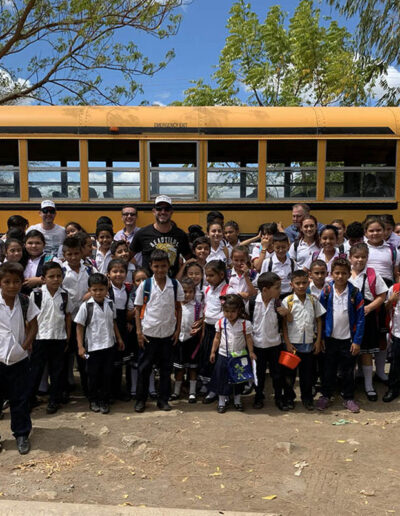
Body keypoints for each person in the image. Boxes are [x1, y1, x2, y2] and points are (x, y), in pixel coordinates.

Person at [134, 249, 184, 412]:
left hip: (168, 334)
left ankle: (163, 400)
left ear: (168, 266)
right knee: (144, 368)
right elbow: (138, 309)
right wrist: (139, 332)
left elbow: (179, 308)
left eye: (163, 266)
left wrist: (177, 330)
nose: (160, 270)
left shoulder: (175, 285)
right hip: (149, 334)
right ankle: (141, 400)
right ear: (151, 266)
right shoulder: (145, 285)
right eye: (156, 266)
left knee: (166, 369)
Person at [0, 262, 39, 455]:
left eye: (16, 281)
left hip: (19, 359)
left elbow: (33, 326)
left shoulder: (25, 301)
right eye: (7, 281)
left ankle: (22, 434)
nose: (12, 286)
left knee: (20, 399)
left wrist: (24, 347)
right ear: (0, 283)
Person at [316, 258, 365, 413]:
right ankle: (326, 395)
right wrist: (321, 338)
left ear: (349, 274)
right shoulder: (327, 291)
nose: (340, 276)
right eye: (337, 273)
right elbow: (320, 316)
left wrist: (356, 341)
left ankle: (348, 397)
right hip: (330, 339)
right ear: (331, 274)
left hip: (348, 340)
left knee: (348, 370)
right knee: (328, 369)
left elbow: (361, 318)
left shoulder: (355, 292)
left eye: (344, 273)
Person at [75, 273, 124, 414]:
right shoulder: (86, 306)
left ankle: (104, 400)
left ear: (106, 290)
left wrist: (119, 339)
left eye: (101, 289)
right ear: (89, 290)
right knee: (93, 375)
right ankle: (93, 400)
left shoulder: (110, 304)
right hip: (93, 347)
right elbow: (79, 326)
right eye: (94, 290)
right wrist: (80, 346)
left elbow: (113, 322)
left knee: (107, 374)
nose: (98, 292)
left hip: (109, 345)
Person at [28, 262, 71, 414]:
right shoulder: (37, 294)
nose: (55, 279)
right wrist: (30, 339)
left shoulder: (64, 295)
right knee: (36, 370)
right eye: (51, 276)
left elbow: (67, 316)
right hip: (40, 337)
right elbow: (30, 318)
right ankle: (30, 398)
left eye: (59, 276)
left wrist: (67, 337)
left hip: (58, 337)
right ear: (43, 278)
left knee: (57, 371)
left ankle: (54, 400)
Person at [282, 270, 325, 410]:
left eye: (304, 283)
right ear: (291, 284)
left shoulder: (313, 300)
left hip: (308, 345)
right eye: (297, 283)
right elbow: (283, 324)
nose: (301, 286)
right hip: (292, 346)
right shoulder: (287, 301)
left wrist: (318, 341)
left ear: (308, 283)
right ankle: (289, 398)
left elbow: (319, 320)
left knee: (307, 375)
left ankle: (307, 398)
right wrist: (287, 343)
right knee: (289, 375)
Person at [348, 243, 387, 401]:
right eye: (356, 257)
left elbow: (382, 295)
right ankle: (349, 383)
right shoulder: (345, 274)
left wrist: (369, 307)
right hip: (348, 318)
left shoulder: (372, 275)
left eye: (363, 257)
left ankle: (369, 385)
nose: (360, 260)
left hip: (366, 316)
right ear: (350, 258)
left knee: (366, 351)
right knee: (349, 351)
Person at [210, 294, 255, 413]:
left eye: (233, 311)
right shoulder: (220, 323)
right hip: (224, 355)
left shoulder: (245, 324)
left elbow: (248, 339)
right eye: (226, 311)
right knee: (222, 378)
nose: (229, 314)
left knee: (238, 379)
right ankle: (221, 401)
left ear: (239, 310)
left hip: (239, 356)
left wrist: (251, 352)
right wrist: (213, 352)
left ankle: (237, 400)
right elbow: (217, 338)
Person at [251, 272, 290, 411]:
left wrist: (287, 314)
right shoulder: (252, 303)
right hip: (257, 346)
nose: (280, 290)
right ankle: (258, 396)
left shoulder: (279, 303)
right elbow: (248, 325)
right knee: (259, 374)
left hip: (275, 345)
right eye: (277, 288)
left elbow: (285, 325)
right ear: (265, 290)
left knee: (277, 374)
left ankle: (279, 398)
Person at [130, 195, 192, 277]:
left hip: (172, 284)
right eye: (159, 208)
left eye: (167, 209)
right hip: (149, 285)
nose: (163, 212)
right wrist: (137, 273)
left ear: (171, 212)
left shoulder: (181, 235)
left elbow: (190, 260)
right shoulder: (142, 234)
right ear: (153, 211)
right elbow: (128, 257)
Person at [199, 260, 229, 402]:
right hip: (209, 329)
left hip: (222, 331)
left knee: (219, 361)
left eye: (211, 275)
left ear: (221, 275)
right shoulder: (207, 289)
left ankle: (220, 389)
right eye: (207, 275)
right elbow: (206, 309)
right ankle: (210, 387)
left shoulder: (228, 291)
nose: (208, 278)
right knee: (208, 358)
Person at [171, 278, 203, 403]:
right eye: (184, 291)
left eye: (190, 292)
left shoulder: (197, 306)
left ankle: (192, 392)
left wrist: (199, 323)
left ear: (194, 293)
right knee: (179, 368)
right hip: (179, 340)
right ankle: (176, 392)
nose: (187, 294)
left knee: (193, 368)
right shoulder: (176, 306)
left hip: (192, 340)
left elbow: (202, 319)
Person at [107, 258, 134, 402]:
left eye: (122, 271)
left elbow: (129, 309)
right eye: (115, 271)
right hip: (108, 328)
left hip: (123, 327)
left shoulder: (128, 289)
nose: (118, 274)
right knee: (111, 361)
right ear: (108, 274)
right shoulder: (105, 290)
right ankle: (110, 391)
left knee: (122, 361)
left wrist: (129, 321)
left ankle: (121, 390)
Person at [260, 232, 298, 298]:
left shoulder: (292, 263)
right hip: (273, 297)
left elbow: (296, 279)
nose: (281, 250)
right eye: (277, 248)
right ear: (272, 246)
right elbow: (262, 281)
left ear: (288, 246)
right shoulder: (268, 262)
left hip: (289, 296)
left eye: (283, 247)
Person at [383, 281, 400, 402]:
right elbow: (385, 308)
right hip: (398, 332)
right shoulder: (394, 289)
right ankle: (393, 389)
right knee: (396, 363)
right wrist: (391, 300)